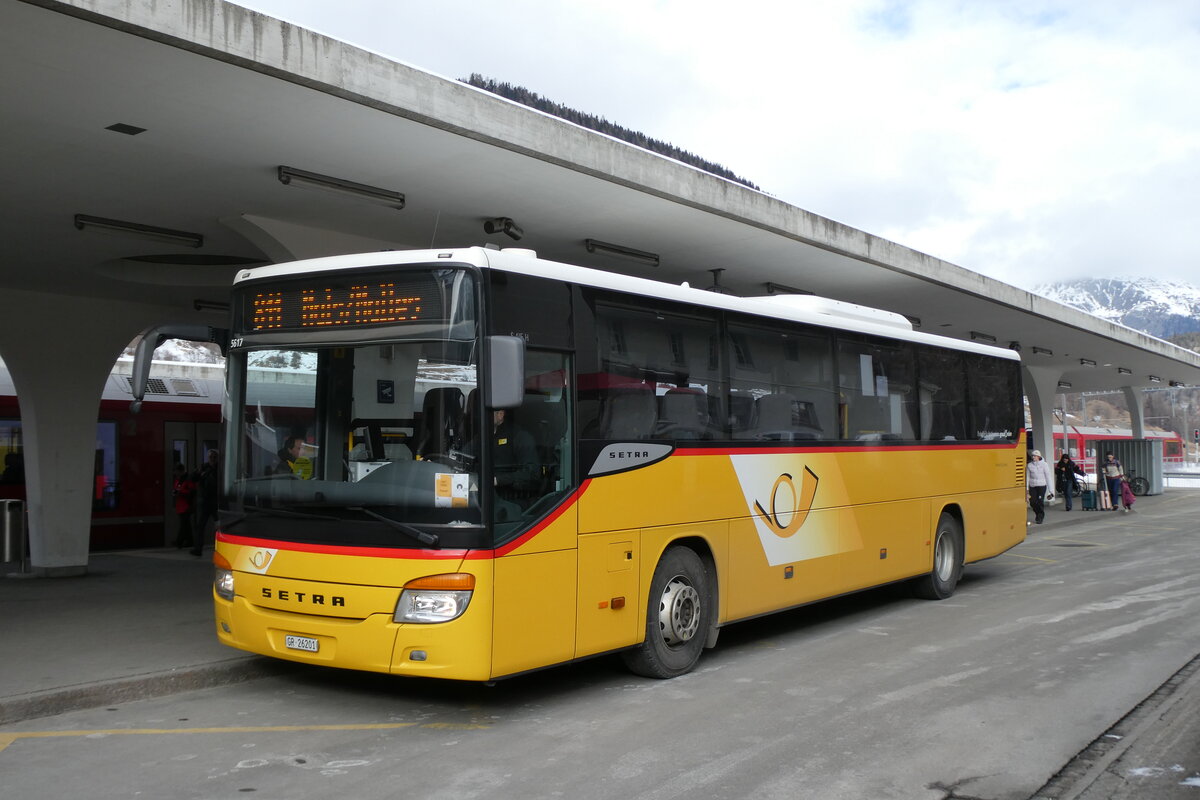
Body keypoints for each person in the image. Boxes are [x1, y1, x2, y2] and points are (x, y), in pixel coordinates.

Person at [490, 409, 538, 505]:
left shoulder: (520, 437)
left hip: (513, 501)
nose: (479, 416)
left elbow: (532, 473)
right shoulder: (480, 438)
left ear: (500, 414)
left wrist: (498, 480)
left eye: (487, 412)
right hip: (485, 499)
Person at [191, 449, 219, 556]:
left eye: (214, 457)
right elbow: (193, 478)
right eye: (210, 457)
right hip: (206, 501)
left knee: (219, 526)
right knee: (200, 526)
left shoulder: (219, 468)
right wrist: (198, 473)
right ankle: (198, 548)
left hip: (216, 501)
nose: (212, 459)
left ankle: (220, 547)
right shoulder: (204, 467)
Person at [172, 463, 196, 549]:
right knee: (186, 525)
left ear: (180, 471)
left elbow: (192, 492)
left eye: (176, 471)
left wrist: (181, 493)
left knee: (184, 524)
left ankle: (179, 541)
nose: (175, 473)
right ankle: (190, 541)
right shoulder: (178, 480)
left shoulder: (187, 479)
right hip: (180, 505)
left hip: (186, 505)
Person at [1026, 449, 1053, 525]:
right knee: (1032, 502)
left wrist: (1051, 491)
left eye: (1035, 456)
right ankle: (1038, 513)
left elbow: (1048, 477)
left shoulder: (1044, 465)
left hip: (1042, 486)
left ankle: (1040, 517)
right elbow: (1027, 477)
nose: (1033, 457)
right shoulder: (1029, 465)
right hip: (1032, 486)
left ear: (1038, 456)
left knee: (1040, 501)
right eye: (1032, 456)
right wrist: (1027, 489)